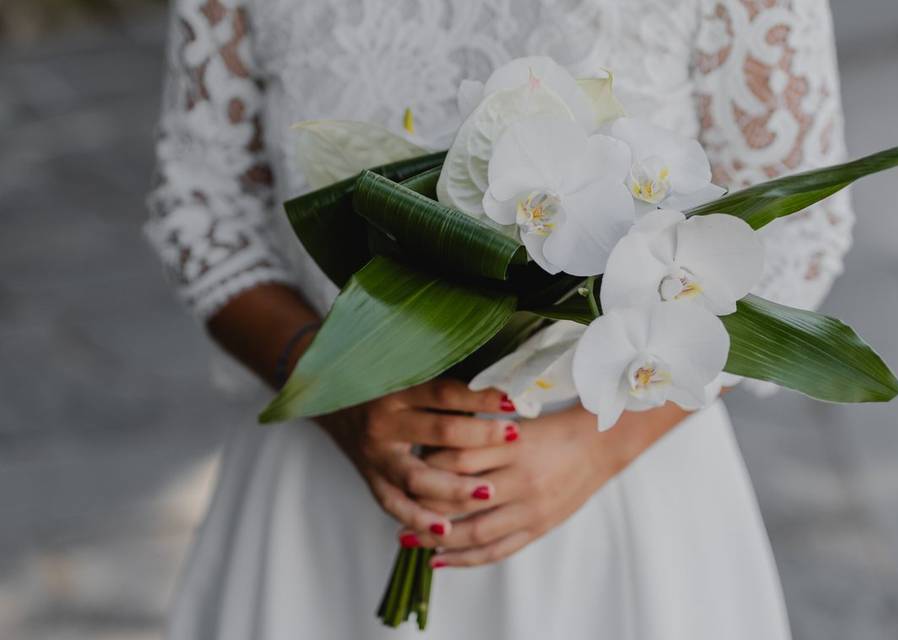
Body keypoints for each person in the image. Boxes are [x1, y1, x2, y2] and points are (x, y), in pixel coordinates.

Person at [146, 1, 852, 638]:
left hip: (608, 487)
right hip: (321, 488)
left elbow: (796, 232)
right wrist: (330, 387)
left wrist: (595, 448)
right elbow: (203, 205)